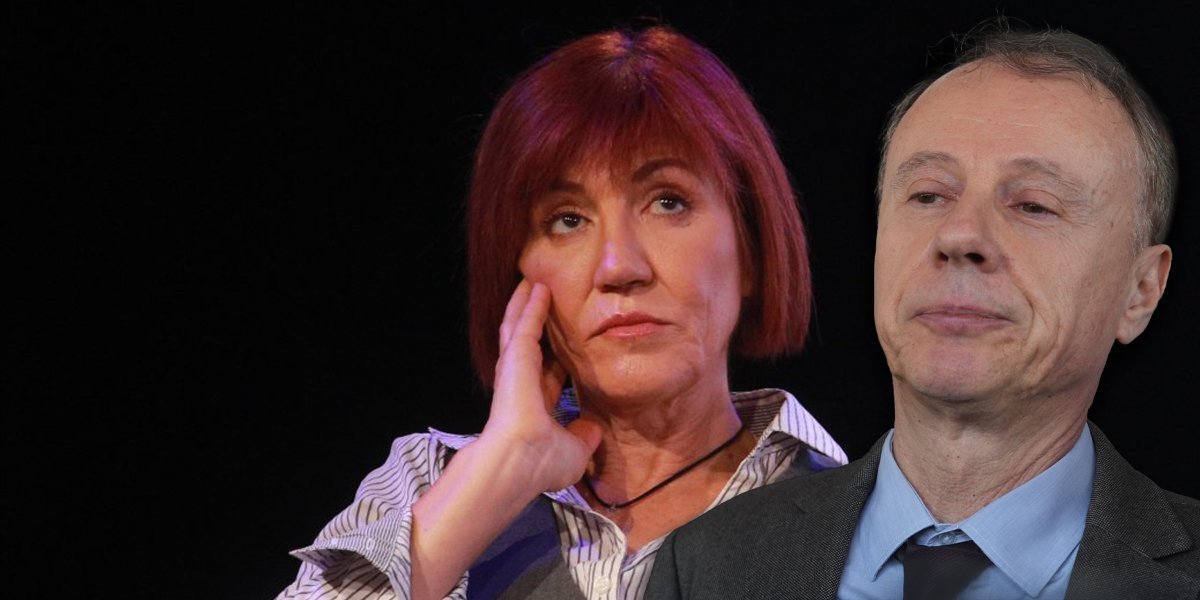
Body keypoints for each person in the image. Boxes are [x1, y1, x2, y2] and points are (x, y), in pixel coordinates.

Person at [276, 26, 846, 600]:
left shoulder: (855, 518)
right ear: (518, 275)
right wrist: (501, 472)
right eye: (568, 220)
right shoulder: (427, 485)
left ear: (751, 249)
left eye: (667, 202)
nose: (618, 266)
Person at [647, 23, 1200, 600]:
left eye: (1034, 205)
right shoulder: (705, 563)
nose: (959, 234)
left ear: (1141, 291)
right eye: (928, 195)